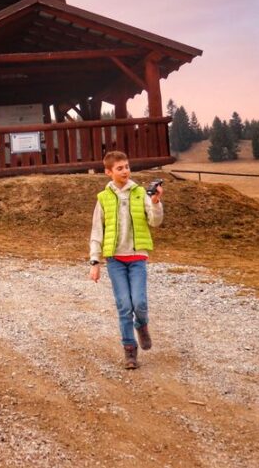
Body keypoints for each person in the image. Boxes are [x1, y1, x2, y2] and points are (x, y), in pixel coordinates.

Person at [88, 151, 164, 369]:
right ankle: (130, 350)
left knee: (139, 303)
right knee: (123, 305)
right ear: (108, 172)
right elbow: (96, 231)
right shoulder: (103, 198)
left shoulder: (141, 193)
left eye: (127, 167)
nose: (125, 171)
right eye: (119, 168)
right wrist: (95, 262)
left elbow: (155, 221)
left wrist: (156, 202)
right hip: (115, 260)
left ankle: (142, 325)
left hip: (137, 257)